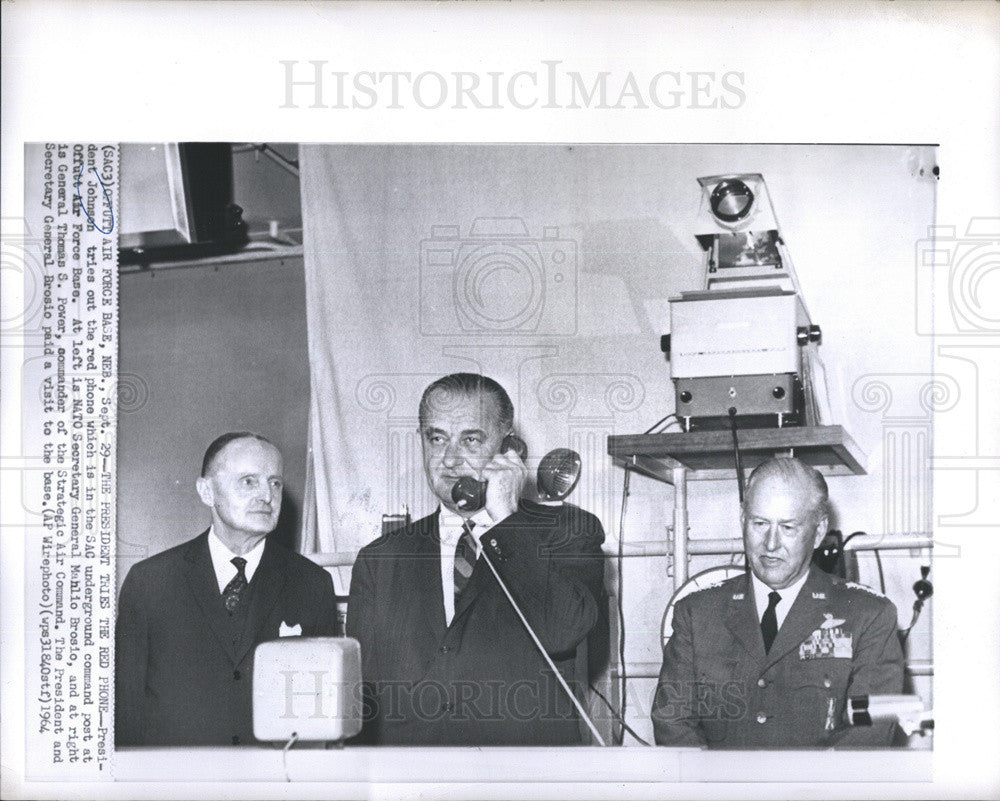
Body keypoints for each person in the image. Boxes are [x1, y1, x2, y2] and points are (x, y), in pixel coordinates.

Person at [347, 373, 606, 745]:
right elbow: (363, 700)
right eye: (437, 439)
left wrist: (507, 521)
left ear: (508, 449)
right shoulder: (380, 560)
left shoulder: (566, 530)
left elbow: (562, 630)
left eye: (470, 439)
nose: (450, 459)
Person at [651, 456, 904, 748]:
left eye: (787, 528)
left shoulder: (868, 616)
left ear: (819, 531)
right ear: (743, 520)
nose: (770, 544)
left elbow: (870, 730)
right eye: (760, 524)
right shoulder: (697, 613)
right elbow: (673, 721)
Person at [115, 432, 340, 746]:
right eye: (248, 481)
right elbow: (126, 712)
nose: (266, 495)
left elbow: (321, 715)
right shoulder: (151, 582)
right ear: (206, 491)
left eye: (274, 482)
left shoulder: (311, 584)